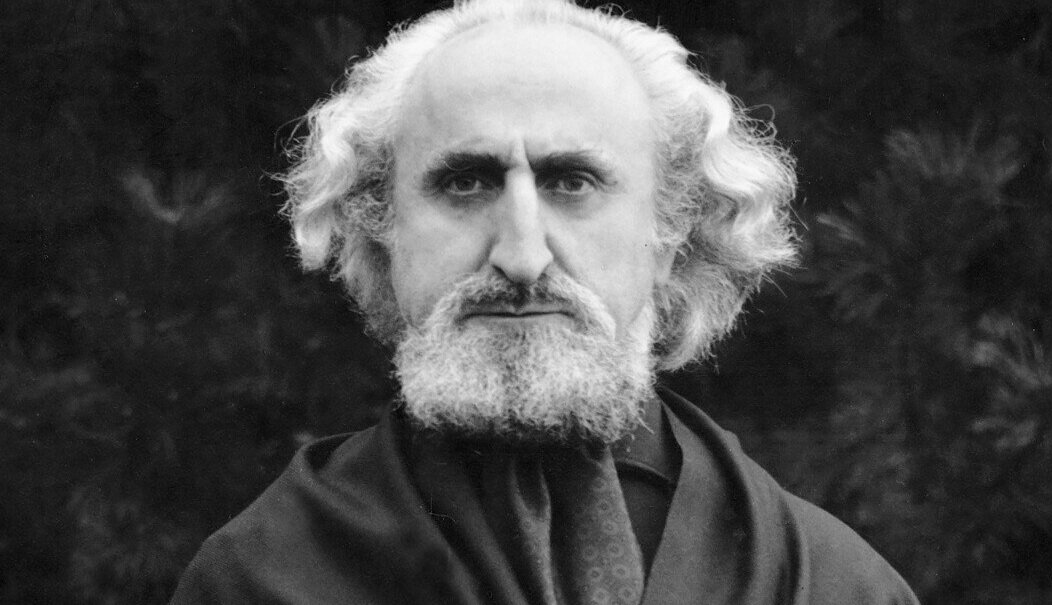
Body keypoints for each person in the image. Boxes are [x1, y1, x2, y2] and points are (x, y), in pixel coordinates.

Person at [170, 1, 919, 603]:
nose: (522, 255)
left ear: (669, 235)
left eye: (571, 182)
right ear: (381, 229)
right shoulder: (263, 579)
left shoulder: (829, 586)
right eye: (465, 182)